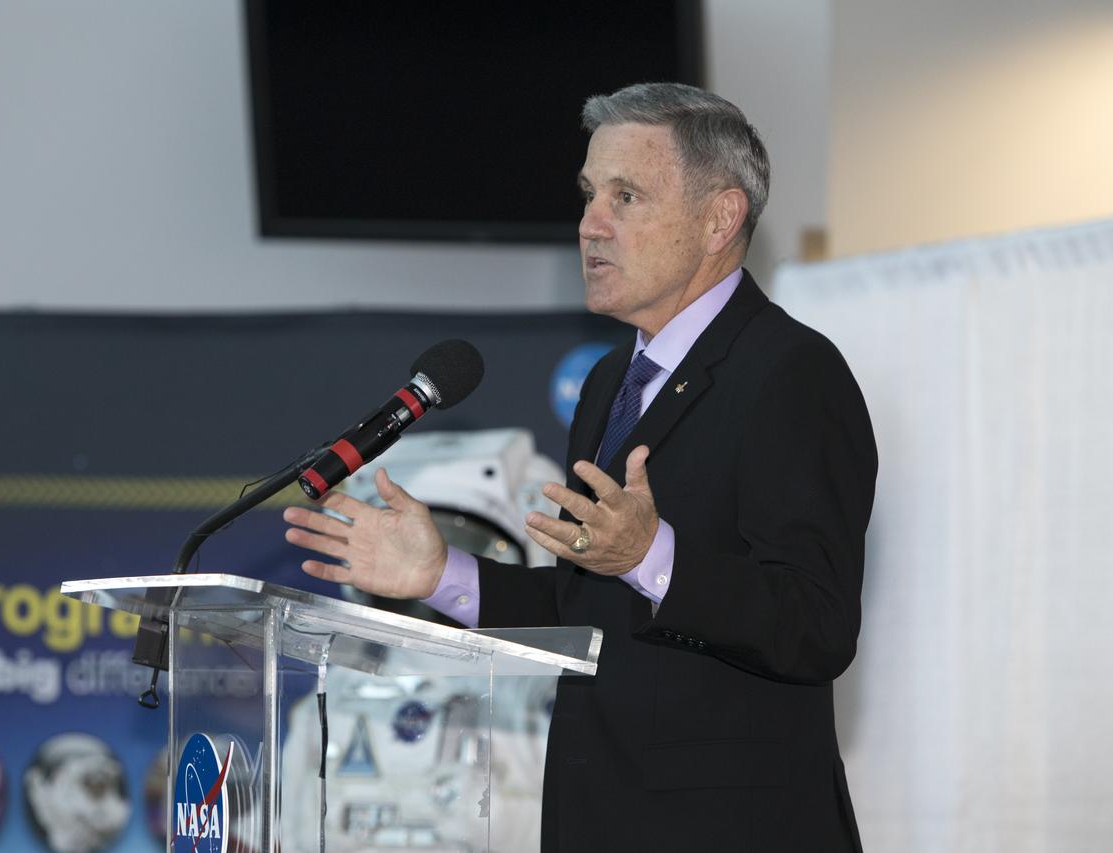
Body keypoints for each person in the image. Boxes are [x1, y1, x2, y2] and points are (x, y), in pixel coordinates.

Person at [284, 82, 877, 852]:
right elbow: (584, 609)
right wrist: (443, 575)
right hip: (598, 818)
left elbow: (816, 623)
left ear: (720, 218)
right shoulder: (609, 383)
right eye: (589, 194)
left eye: (625, 196)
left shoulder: (792, 372)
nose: (590, 224)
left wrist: (654, 555)